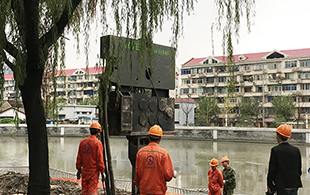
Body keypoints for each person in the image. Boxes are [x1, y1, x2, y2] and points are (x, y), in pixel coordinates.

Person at [133, 125, 177, 195]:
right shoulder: (164, 154)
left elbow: (137, 174)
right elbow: (168, 176)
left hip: (144, 191)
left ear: (149, 138)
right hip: (158, 191)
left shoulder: (140, 153)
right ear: (160, 139)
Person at [266, 124, 302, 195]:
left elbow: (272, 170)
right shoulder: (296, 150)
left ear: (278, 136)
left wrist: (269, 185)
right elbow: (299, 169)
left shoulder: (275, 150)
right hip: (294, 185)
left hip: (281, 186)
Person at [76, 122, 105, 195]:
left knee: (84, 190)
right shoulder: (98, 143)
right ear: (98, 132)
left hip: (84, 171)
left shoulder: (83, 142)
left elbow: (79, 158)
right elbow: (100, 159)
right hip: (93, 172)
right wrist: (102, 171)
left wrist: (79, 169)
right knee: (92, 191)